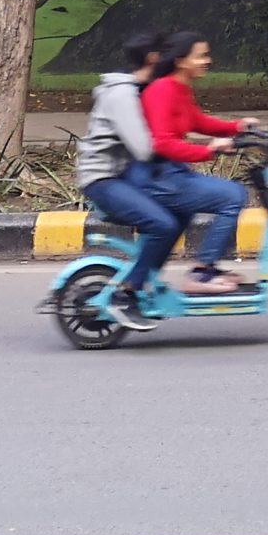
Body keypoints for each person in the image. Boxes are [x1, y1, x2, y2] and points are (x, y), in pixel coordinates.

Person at [75, 31, 179, 331]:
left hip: (120, 176)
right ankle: (126, 295)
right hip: (103, 180)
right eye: (169, 55)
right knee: (163, 224)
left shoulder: (138, 90)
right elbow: (144, 149)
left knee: (177, 213)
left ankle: (144, 284)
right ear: (153, 58)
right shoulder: (123, 95)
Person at [140, 31, 259, 294]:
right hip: (161, 176)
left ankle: (207, 267)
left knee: (232, 194)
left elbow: (198, 121)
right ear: (181, 60)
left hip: (173, 173)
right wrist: (208, 151)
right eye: (201, 56)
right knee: (233, 196)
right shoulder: (161, 90)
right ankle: (203, 271)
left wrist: (237, 126)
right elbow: (162, 142)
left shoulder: (179, 88)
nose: (208, 61)